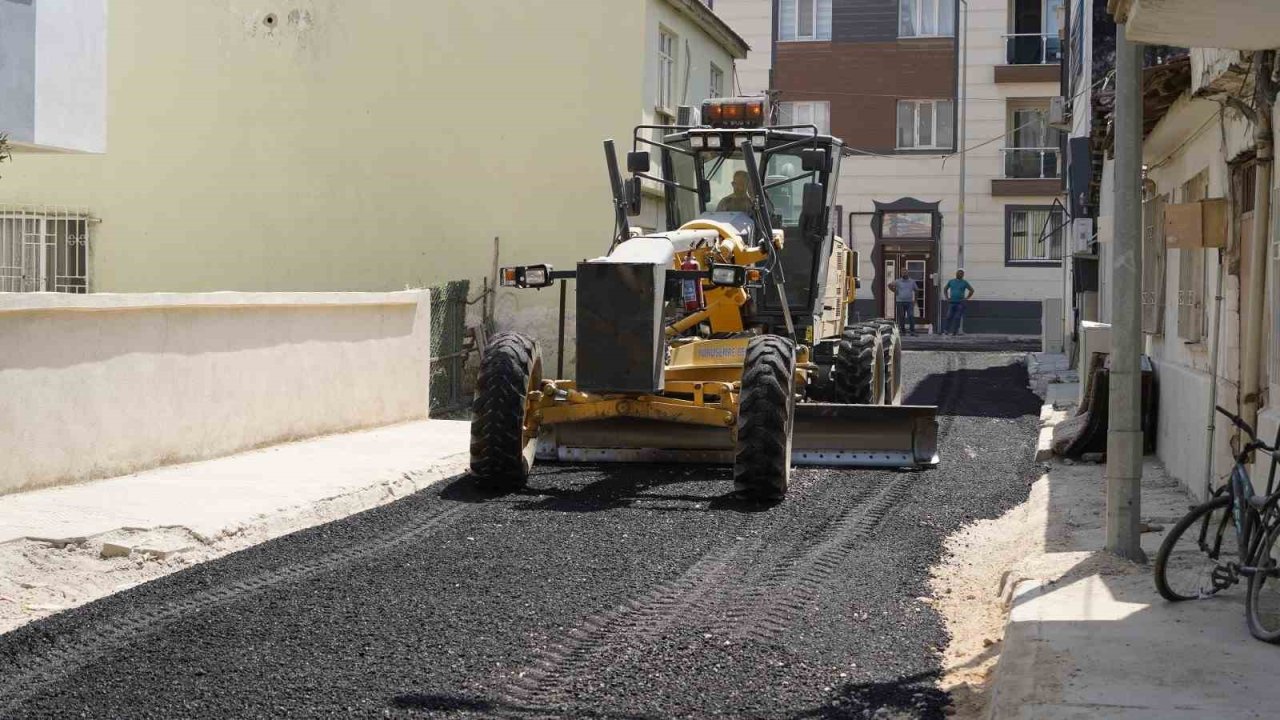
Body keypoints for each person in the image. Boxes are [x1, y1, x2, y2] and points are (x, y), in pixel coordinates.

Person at [943, 269, 975, 336]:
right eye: (958, 273)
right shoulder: (951, 281)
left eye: (961, 274)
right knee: (949, 316)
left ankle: (955, 331)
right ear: (956, 274)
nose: (959, 274)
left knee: (957, 318)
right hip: (951, 302)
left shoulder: (964, 282)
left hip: (960, 303)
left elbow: (971, 290)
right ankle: (946, 330)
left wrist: (966, 298)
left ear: (963, 275)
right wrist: (947, 298)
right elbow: (945, 289)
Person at [888, 270, 919, 336]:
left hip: (909, 302)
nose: (904, 274)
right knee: (901, 316)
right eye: (903, 273)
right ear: (901, 274)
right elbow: (889, 285)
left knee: (911, 315)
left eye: (905, 273)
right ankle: (903, 331)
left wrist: (915, 300)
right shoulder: (898, 281)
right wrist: (894, 291)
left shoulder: (912, 281)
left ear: (908, 273)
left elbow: (916, 290)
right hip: (900, 302)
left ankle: (912, 331)